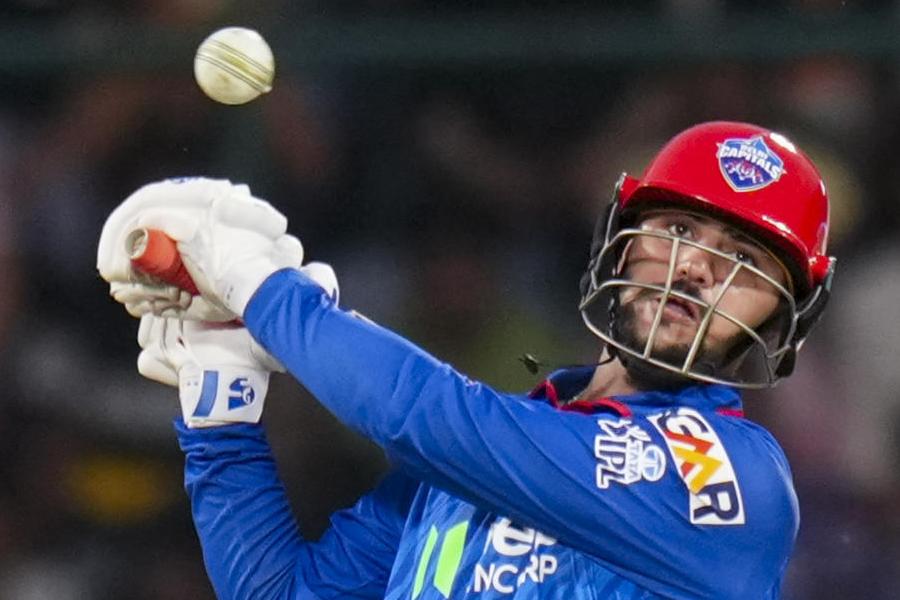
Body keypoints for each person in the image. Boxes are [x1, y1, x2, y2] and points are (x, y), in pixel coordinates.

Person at [96, 121, 835, 599]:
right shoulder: (489, 454)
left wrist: (261, 288)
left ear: (778, 319)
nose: (701, 270)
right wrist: (222, 401)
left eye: (746, 261)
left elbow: (418, 416)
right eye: (678, 229)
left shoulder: (731, 476)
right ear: (623, 241)